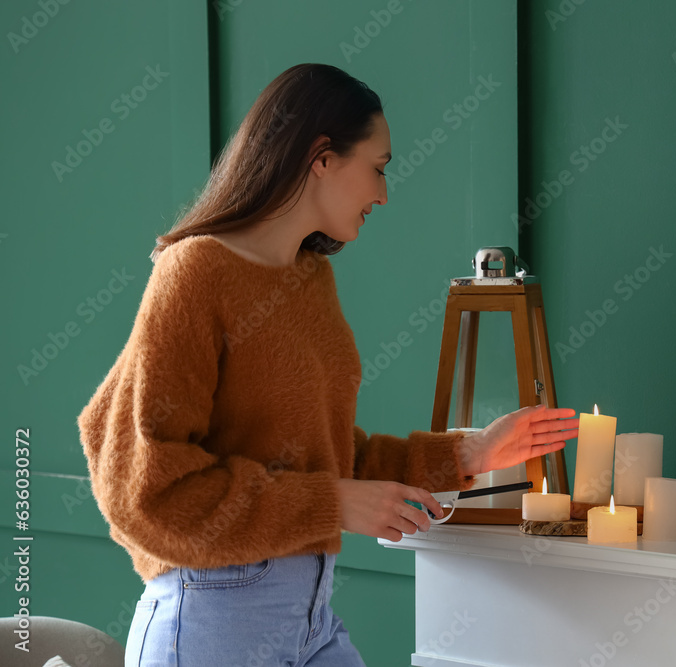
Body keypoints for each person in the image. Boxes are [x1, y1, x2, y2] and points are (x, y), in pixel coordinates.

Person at [76, 63, 579, 666]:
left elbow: (331, 455)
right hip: (213, 615)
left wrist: (466, 456)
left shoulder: (311, 281)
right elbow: (148, 489)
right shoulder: (195, 273)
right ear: (322, 157)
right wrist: (331, 504)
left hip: (309, 615)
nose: (384, 193)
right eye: (379, 167)